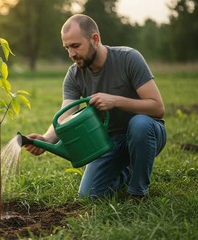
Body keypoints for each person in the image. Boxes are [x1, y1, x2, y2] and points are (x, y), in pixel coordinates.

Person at [24, 14, 167, 199]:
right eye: (67, 48)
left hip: (147, 134)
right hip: (108, 142)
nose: (71, 54)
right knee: (88, 195)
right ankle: (128, 171)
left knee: (139, 124)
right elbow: (65, 115)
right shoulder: (74, 74)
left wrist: (115, 101)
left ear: (95, 39)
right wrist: (46, 139)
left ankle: (138, 192)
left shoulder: (128, 58)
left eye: (75, 46)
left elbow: (157, 108)